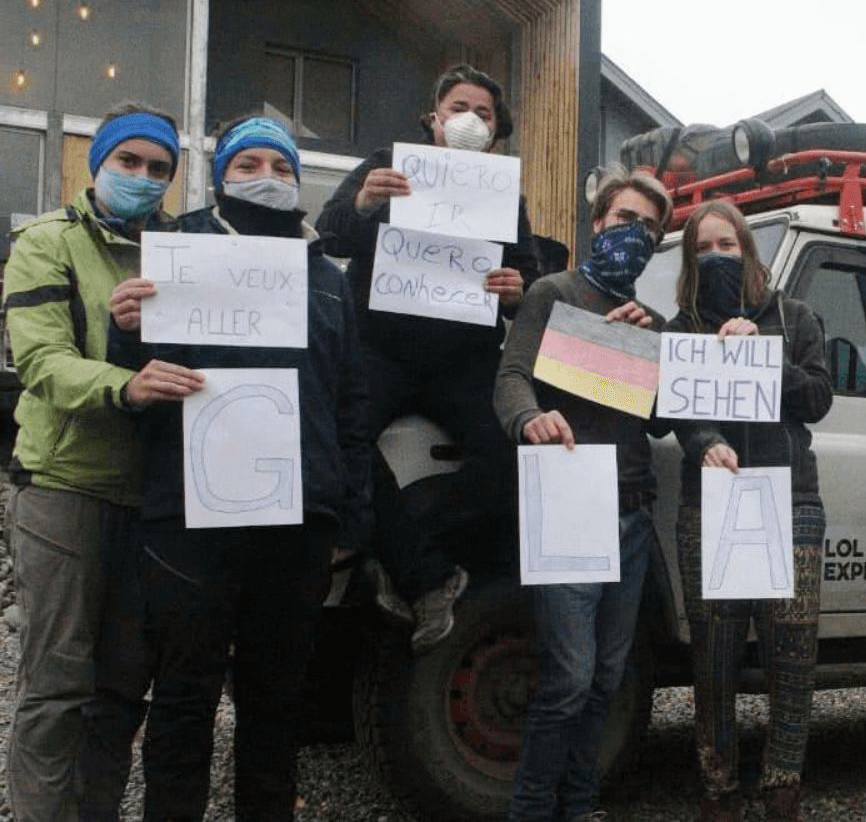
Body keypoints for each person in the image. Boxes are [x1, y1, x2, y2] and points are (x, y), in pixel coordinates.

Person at [104, 116, 368, 821]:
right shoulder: (177, 254)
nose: (269, 179)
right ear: (221, 173)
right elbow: (133, 384)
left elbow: (351, 402)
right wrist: (123, 331)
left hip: (298, 518)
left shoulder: (327, 278)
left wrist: (349, 510)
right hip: (190, 516)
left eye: (282, 168)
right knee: (185, 696)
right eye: (250, 163)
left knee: (275, 701)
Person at [316, 63, 567, 652]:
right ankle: (426, 577)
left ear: (496, 132)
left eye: (483, 113)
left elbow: (528, 284)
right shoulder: (385, 161)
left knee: (509, 458)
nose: (470, 120)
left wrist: (516, 289)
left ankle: (398, 554)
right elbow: (328, 236)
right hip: (378, 349)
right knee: (334, 438)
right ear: (433, 118)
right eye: (458, 107)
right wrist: (362, 202)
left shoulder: (508, 193)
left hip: (464, 360)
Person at [3, 103, 185, 822]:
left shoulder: (182, 251)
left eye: (159, 168)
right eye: (129, 162)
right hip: (65, 488)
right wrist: (126, 380)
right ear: (97, 162)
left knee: (120, 691)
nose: (143, 178)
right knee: (55, 687)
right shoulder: (44, 243)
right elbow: (42, 362)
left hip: (151, 500)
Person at [494, 168, 671, 822]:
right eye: (624, 218)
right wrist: (527, 419)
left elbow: (660, 419)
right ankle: (532, 810)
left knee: (605, 679)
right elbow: (511, 377)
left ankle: (581, 806)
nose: (634, 234)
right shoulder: (553, 292)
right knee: (567, 680)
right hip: (566, 501)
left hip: (630, 509)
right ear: (597, 221)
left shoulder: (652, 320)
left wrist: (649, 346)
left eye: (649, 227)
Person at [665, 201, 833, 822]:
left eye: (727, 245)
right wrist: (704, 442)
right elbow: (671, 412)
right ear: (690, 259)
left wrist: (767, 352)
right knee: (714, 655)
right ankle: (718, 788)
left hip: (791, 501)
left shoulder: (794, 316)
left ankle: (783, 785)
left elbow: (817, 399)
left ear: (748, 249)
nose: (717, 256)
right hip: (709, 504)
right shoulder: (678, 328)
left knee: (793, 653)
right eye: (704, 248)